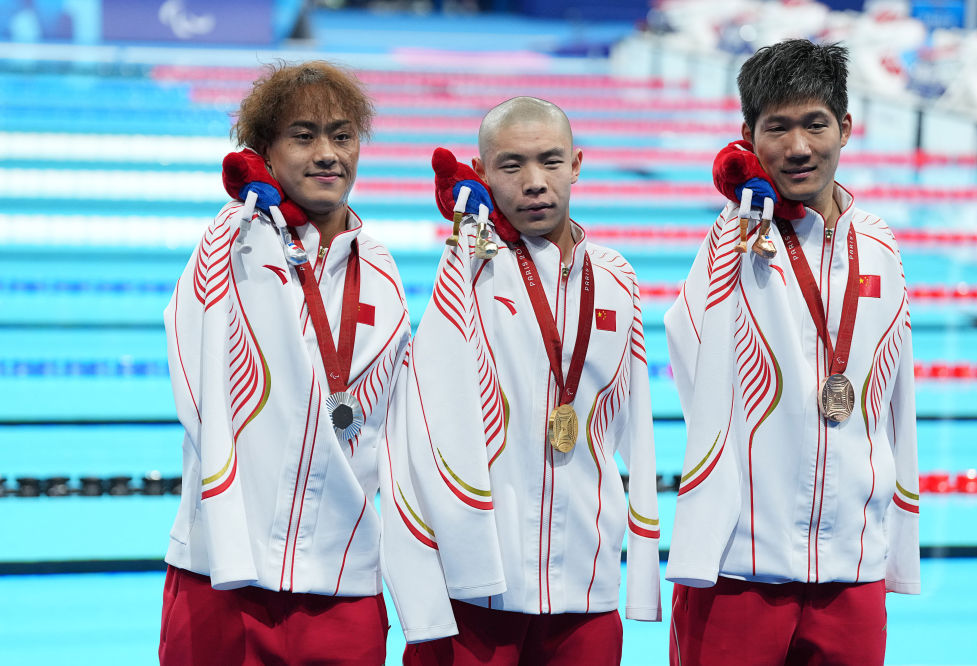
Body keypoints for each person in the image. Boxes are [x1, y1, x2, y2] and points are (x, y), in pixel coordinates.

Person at [159, 60, 456, 665]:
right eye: (303, 136)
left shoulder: (383, 271)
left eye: (342, 136)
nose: (326, 154)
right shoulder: (234, 244)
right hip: (223, 572)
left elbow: (405, 427)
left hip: (342, 581)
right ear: (264, 151)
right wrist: (245, 213)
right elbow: (196, 377)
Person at [663, 40, 919, 665]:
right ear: (747, 139)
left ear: (846, 128)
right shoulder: (735, 236)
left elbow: (898, 401)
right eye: (777, 128)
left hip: (853, 568)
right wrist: (742, 215)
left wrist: (895, 543)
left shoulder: (880, 246)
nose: (799, 147)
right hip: (739, 566)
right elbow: (691, 354)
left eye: (815, 124)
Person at [402, 96, 662, 665]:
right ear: (482, 173)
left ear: (577, 164)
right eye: (511, 165)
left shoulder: (617, 278)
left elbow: (635, 424)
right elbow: (428, 415)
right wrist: (467, 238)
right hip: (477, 584)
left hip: (586, 580)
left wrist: (640, 564)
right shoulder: (472, 267)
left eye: (550, 160)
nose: (535, 182)